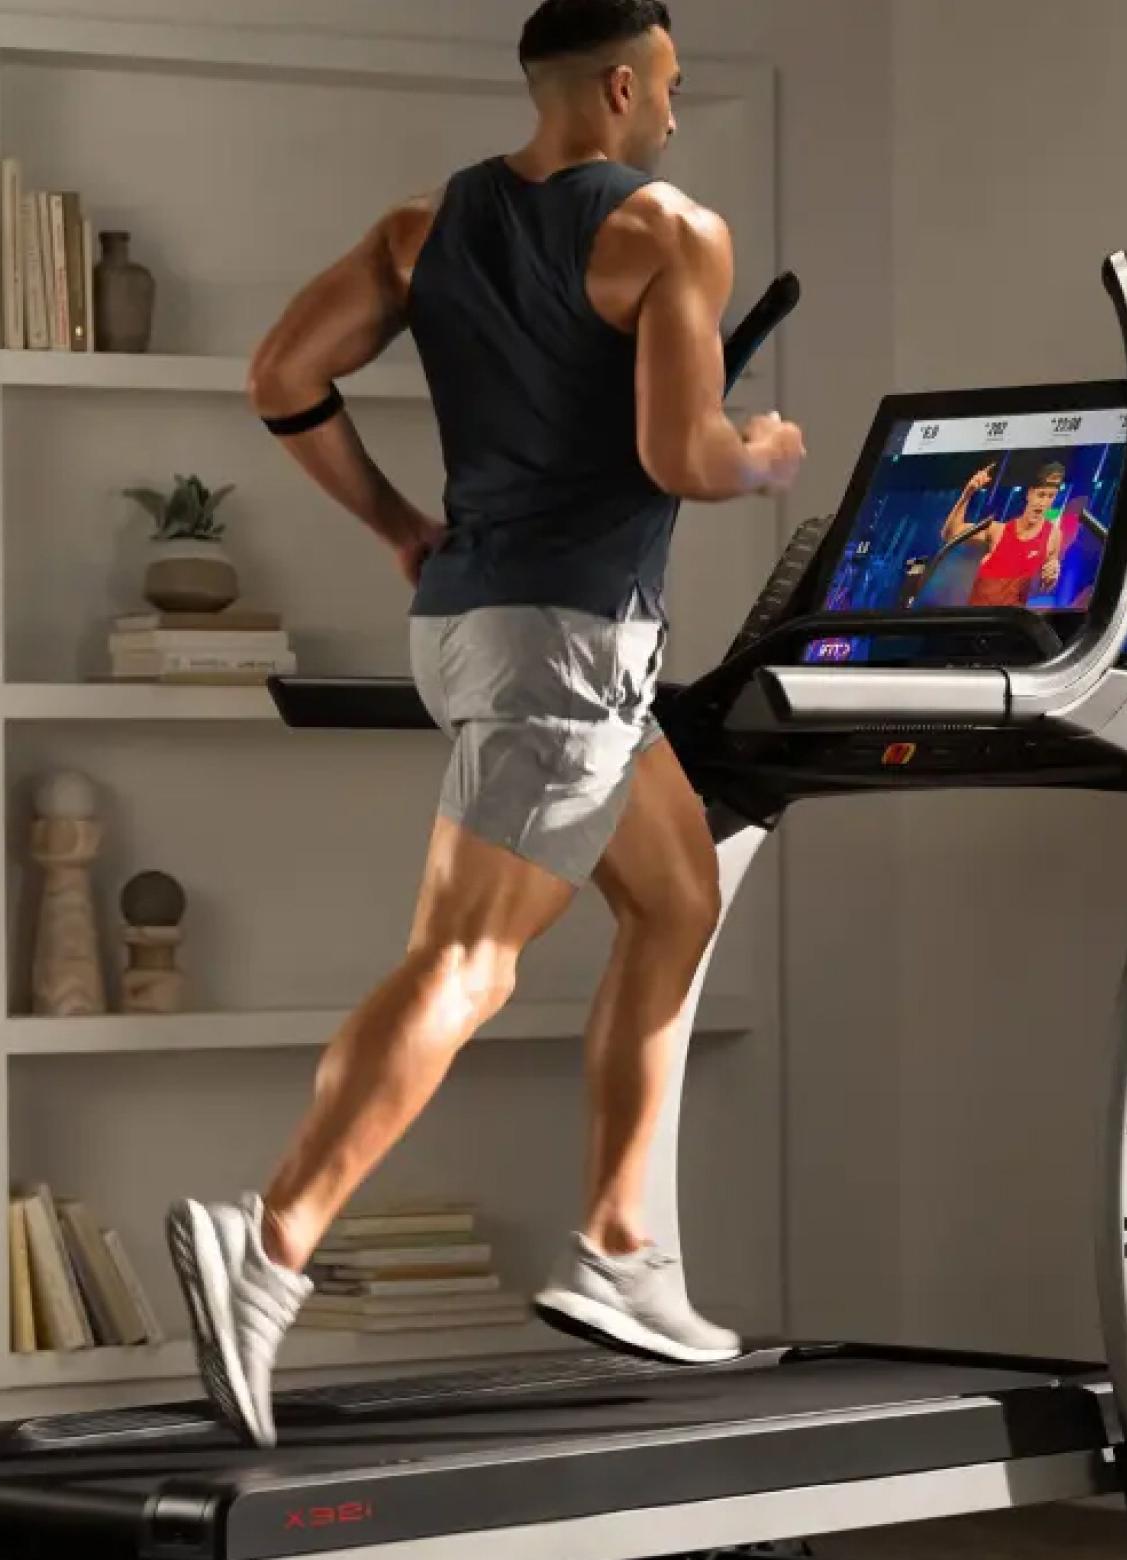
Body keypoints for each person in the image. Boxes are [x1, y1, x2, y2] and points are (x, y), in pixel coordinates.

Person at [162, 0, 807, 1449]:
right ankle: (264, 1248)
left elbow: (282, 376)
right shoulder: (670, 234)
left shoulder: (422, 229)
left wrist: (397, 524)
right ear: (625, 83)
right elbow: (676, 455)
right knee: (468, 960)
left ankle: (621, 1252)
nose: (677, 116)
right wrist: (757, 456)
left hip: (472, 623)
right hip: (567, 640)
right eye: (673, 90)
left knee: (678, 892)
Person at [930, 460, 1081, 609]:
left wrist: (1051, 577)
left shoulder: (1053, 536)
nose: (1043, 503)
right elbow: (949, 534)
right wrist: (968, 493)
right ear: (1029, 494)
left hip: (1008, 624)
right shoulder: (998, 530)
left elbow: (1045, 586)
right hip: (977, 619)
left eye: (1050, 496)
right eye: (1041, 495)